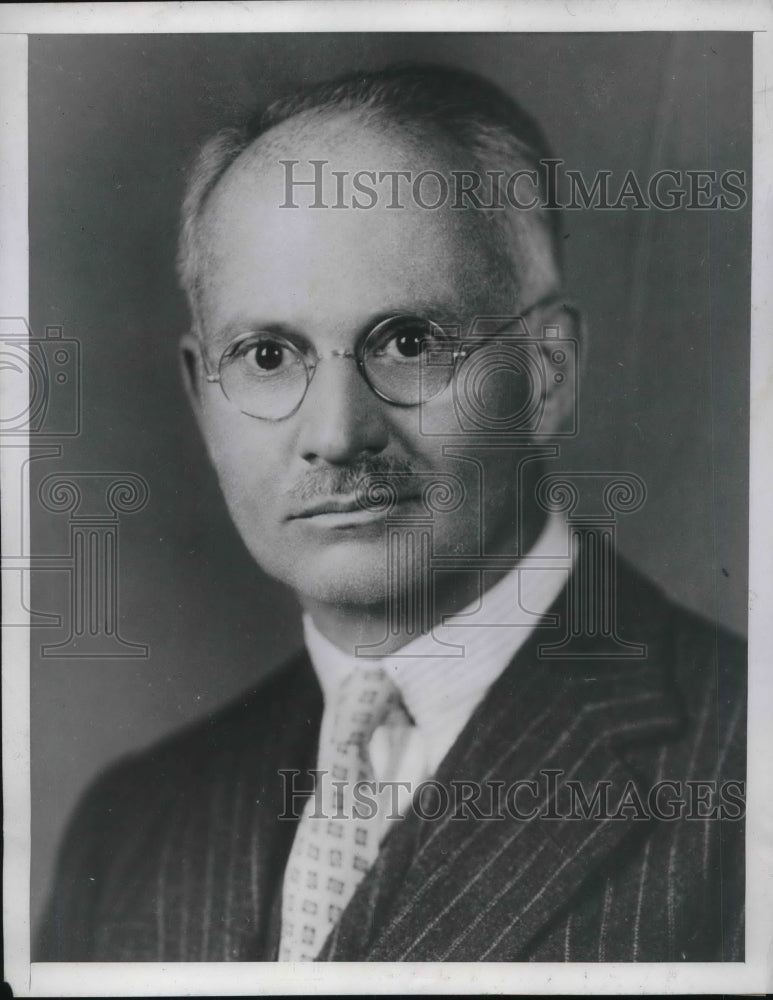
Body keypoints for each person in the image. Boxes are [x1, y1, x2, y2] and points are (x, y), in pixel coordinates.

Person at [37, 63, 745, 963]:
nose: (336, 434)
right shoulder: (130, 825)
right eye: (266, 356)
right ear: (199, 395)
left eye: (409, 343)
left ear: (545, 375)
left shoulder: (741, 764)